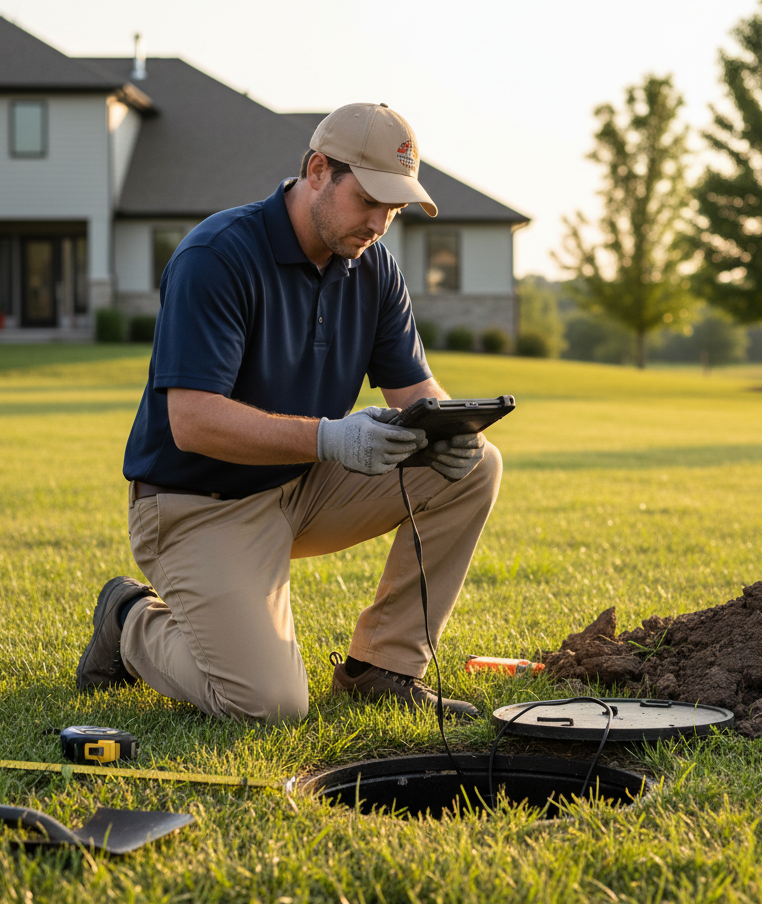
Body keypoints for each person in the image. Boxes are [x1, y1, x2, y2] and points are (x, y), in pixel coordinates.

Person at [76, 103, 502, 723]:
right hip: (196, 506)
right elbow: (191, 421)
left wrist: (450, 429)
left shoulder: (373, 266)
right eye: (369, 201)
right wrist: (331, 439)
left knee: (476, 466)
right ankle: (129, 619)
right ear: (318, 169)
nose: (380, 223)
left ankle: (382, 669)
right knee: (268, 705)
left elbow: (416, 396)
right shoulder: (218, 256)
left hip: (300, 488)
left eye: (395, 208)